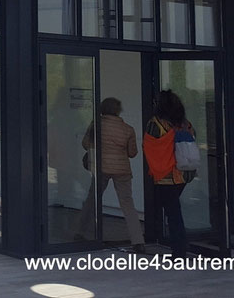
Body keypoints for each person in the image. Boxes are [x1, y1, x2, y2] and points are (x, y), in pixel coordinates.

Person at [75, 97, 145, 252]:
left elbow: (85, 144)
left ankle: (80, 232)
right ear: (118, 111)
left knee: (92, 200)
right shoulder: (127, 129)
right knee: (127, 204)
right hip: (122, 170)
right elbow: (132, 153)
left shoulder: (96, 125)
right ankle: (138, 241)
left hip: (101, 168)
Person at [144, 90, 197, 257]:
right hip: (184, 173)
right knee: (173, 211)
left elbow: (149, 146)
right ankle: (180, 245)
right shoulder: (185, 124)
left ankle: (179, 250)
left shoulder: (156, 123)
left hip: (165, 175)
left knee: (173, 212)